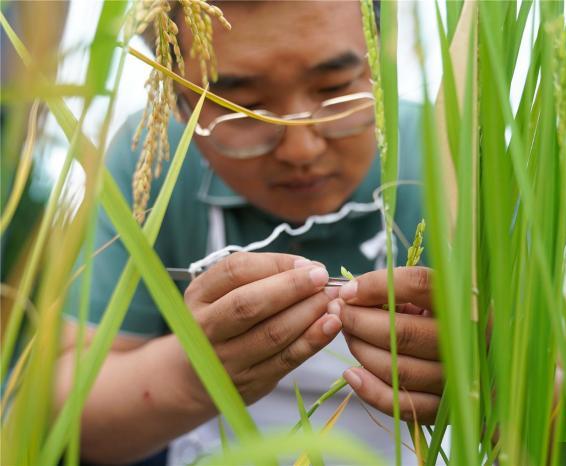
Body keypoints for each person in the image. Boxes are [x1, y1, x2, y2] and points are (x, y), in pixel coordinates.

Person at [58, 2, 443, 465]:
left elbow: (556, 408)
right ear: (177, 103)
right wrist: (190, 374)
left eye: (336, 88)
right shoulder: (152, 163)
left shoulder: (452, 157)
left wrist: (491, 382)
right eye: (240, 107)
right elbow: (60, 416)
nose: (301, 149)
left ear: (384, 57)